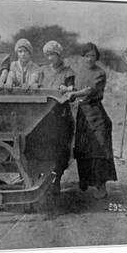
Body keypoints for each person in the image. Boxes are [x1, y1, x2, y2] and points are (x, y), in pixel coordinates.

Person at [67, 42, 117, 198]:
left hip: (96, 116)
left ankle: (101, 187)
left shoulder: (100, 73)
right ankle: (85, 180)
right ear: (83, 57)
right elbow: (74, 89)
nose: (89, 59)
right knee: (82, 150)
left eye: (93, 56)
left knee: (99, 150)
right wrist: (68, 89)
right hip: (82, 116)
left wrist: (74, 94)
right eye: (87, 56)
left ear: (97, 57)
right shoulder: (79, 72)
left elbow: (90, 91)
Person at [31, 40, 76, 195]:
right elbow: (33, 83)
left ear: (59, 55)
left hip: (60, 116)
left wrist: (68, 89)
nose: (51, 58)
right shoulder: (42, 70)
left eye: (53, 54)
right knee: (39, 146)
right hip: (42, 117)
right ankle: (37, 178)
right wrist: (33, 84)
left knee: (60, 149)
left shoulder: (68, 72)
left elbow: (72, 91)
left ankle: (57, 180)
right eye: (48, 54)